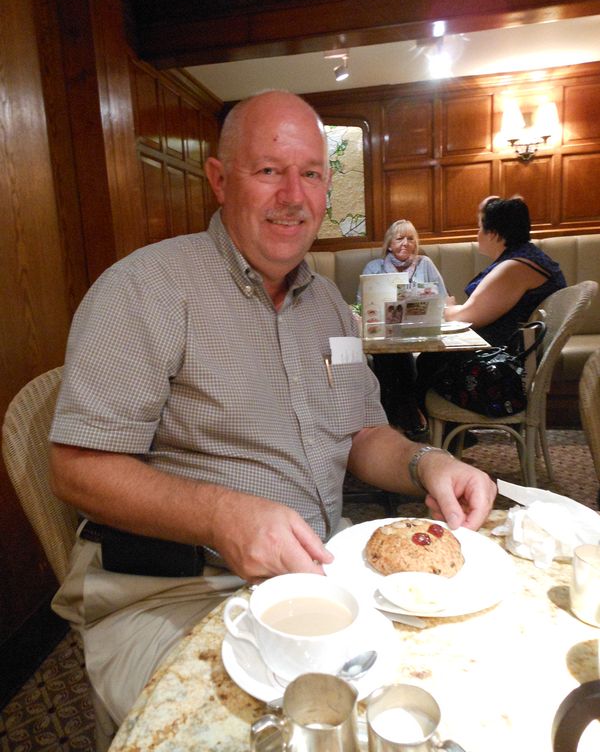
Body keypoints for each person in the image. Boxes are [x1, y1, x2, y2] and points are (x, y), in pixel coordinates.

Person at [48, 91, 497, 730]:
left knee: (439, 687)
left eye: (311, 173)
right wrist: (220, 513)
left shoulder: (331, 311)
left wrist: (427, 463)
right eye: (268, 170)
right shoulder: (143, 290)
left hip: (320, 572)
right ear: (219, 178)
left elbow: (362, 430)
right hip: (175, 593)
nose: (293, 194)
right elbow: (75, 469)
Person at [416, 194, 567, 408]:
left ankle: (426, 432)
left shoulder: (514, 268)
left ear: (495, 234)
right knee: (427, 361)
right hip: (509, 359)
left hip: (504, 374)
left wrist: (446, 308)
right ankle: (436, 432)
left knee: (427, 363)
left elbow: (467, 317)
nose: (477, 234)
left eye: (480, 227)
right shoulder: (527, 258)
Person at [358, 220, 448, 438]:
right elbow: (362, 303)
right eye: (400, 238)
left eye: (410, 238)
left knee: (435, 360)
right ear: (389, 244)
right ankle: (405, 416)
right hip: (385, 335)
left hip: (420, 332)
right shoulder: (373, 268)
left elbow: (442, 297)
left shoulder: (425, 264)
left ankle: (407, 416)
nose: (405, 243)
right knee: (391, 356)